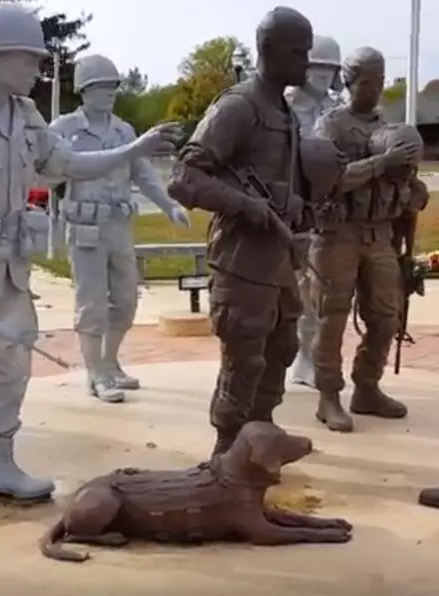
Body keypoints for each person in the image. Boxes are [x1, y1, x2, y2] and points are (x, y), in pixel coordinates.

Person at [0, 0, 181, 504]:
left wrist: (132, 152)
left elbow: (68, 163)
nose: (37, 69)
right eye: (28, 59)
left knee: (12, 367)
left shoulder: (25, 118)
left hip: (8, 270)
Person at [168, 6, 314, 456]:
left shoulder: (283, 111)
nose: (306, 62)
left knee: (282, 346)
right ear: (269, 50)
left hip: (278, 257)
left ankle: (260, 432)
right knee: (244, 358)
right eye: (298, 52)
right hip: (241, 259)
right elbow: (184, 178)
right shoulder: (238, 107)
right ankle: (227, 449)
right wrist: (247, 205)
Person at [49, 54, 190, 404]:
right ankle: (95, 373)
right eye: (101, 87)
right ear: (84, 90)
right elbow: (46, 171)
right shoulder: (64, 130)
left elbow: (143, 174)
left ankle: (110, 363)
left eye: (113, 87)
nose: (109, 93)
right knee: (91, 304)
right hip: (85, 228)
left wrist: (169, 205)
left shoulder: (124, 131)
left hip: (118, 226)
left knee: (126, 300)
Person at [310, 47, 427, 433]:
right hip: (338, 234)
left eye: (379, 83)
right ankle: (328, 396)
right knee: (333, 316)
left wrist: (410, 184)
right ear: (348, 83)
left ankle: (367, 387)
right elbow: (329, 179)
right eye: (366, 83)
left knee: (386, 315)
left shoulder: (393, 130)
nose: (374, 91)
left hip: (379, 234)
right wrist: (381, 164)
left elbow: (411, 188)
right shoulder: (331, 126)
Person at [284, 34, 342, 388]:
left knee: (322, 294)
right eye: (316, 70)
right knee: (295, 293)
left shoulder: (339, 110)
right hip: (292, 213)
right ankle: (294, 357)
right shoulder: (283, 107)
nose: (322, 77)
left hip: (330, 213)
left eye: (329, 71)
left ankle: (311, 357)